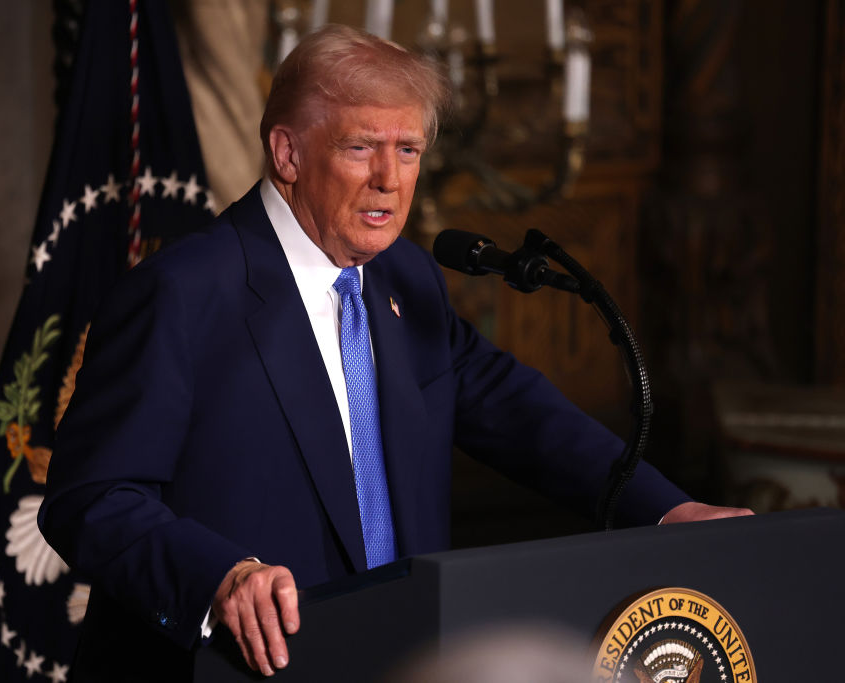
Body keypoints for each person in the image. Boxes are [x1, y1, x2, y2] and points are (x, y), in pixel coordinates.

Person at [38, 24, 751, 681]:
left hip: (397, 656)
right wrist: (220, 576)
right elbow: (90, 498)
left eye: (407, 150)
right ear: (287, 152)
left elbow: (517, 411)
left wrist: (664, 511)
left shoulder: (404, 277)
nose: (391, 177)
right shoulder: (184, 293)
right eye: (360, 147)